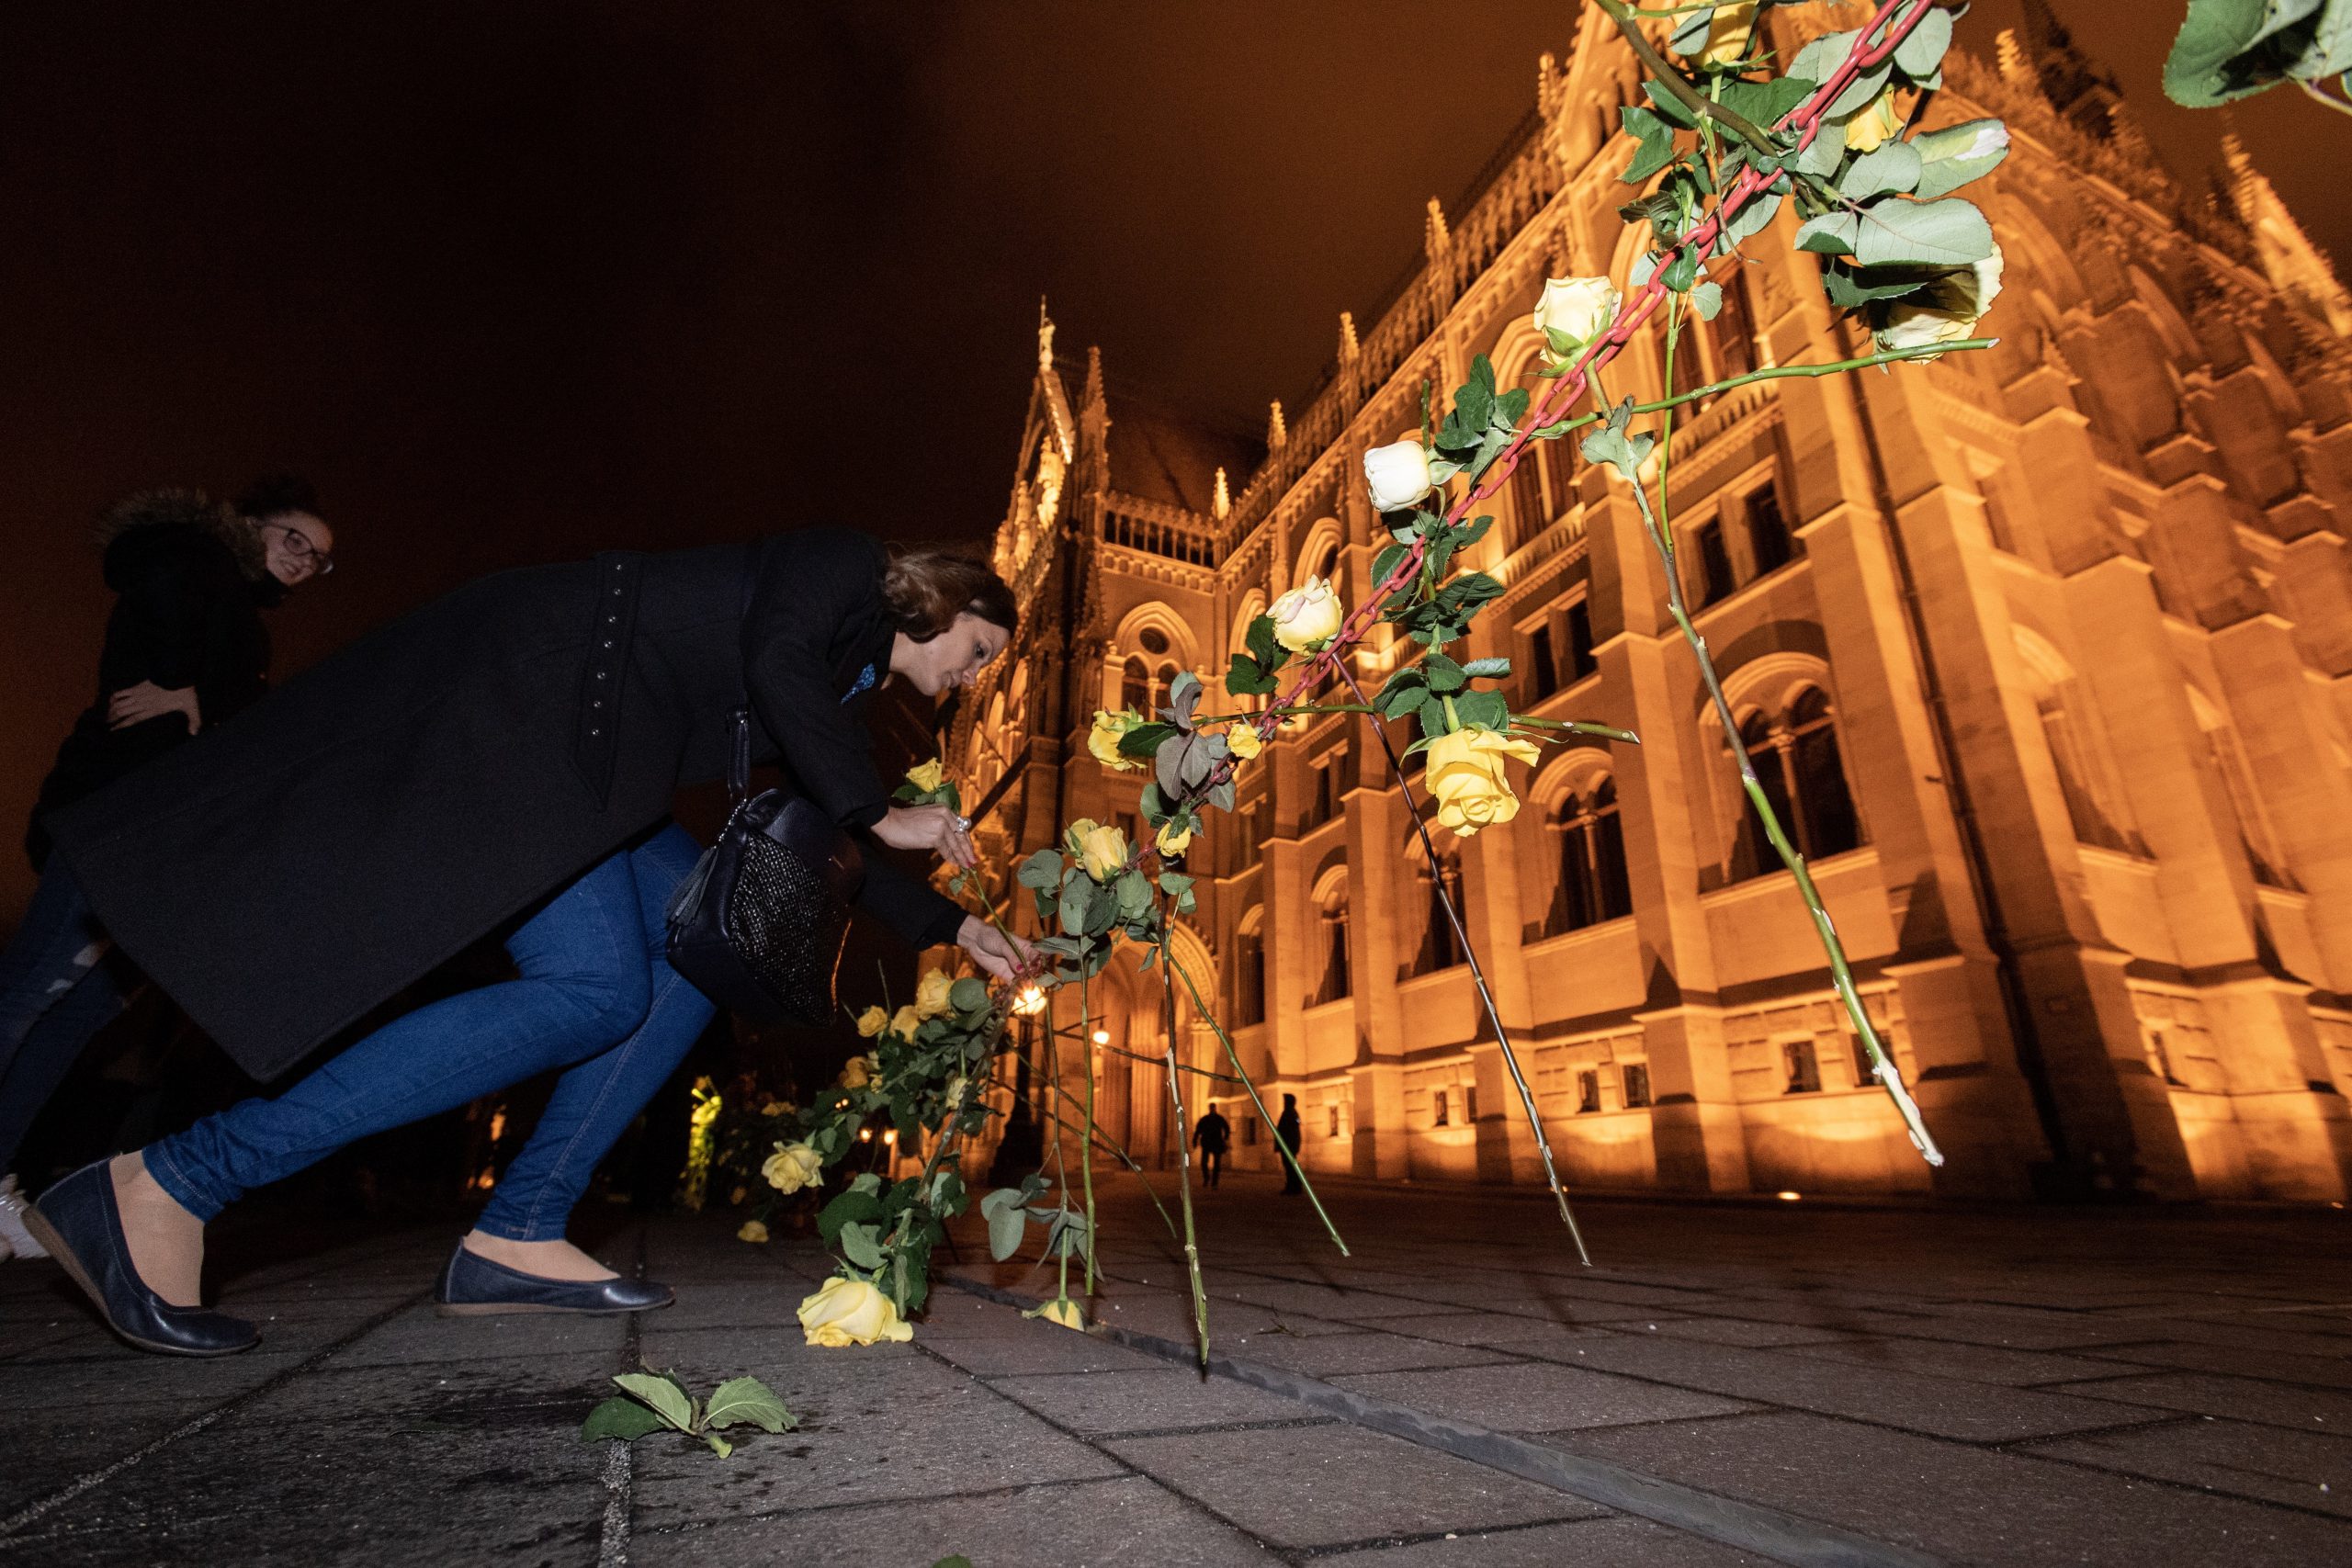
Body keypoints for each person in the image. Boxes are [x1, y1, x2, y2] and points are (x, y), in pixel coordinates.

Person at [20, 528, 1033, 1356]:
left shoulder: (844, 685)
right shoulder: (841, 567)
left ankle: (519, 1233)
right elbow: (781, 673)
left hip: (597, 775)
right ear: (948, 599)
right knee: (594, 991)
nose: (967, 680)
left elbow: (837, 841)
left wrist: (955, 926)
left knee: (692, 962)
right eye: (980, 652)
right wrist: (876, 804)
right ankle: (170, 1181)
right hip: (536, 721)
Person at [0, 479, 334, 1263]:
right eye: (294, 540)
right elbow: (159, 667)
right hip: (123, 815)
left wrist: (204, 702)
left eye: (318, 560)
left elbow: (218, 714)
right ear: (250, 523)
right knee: (29, 994)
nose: (303, 562)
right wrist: (203, 696)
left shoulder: (229, 596)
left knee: (77, 1012)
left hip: (159, 835)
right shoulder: (193, 558)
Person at [1190, 1105, 1230, 1190]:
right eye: (1211, 1108)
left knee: (1216, 1164)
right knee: (1204, 1163)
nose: (1212, 1110)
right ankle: (1207, 1178)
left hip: (1216, 1143)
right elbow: (1198, 1130)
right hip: (1207, 1143)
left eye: (1213, 1108)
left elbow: (1226, 1128)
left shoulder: (1219, 1118)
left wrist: (1226, 1137)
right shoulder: (1205, 1119)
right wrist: (1195, 1140)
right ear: (1210, 1109)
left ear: (1215, 1109)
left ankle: (1214, 1182)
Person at [1274, 1093, 1303, 1195]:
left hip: (1288, 1145)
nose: (1284, 1103)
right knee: (1290, 1166)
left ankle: (1293, 1187)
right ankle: (1294, 1186)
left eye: (1285, 1101)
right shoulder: (1290, 1113)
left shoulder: (1290, 1113)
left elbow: (1287, 1130)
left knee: (1290, 1166)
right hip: (1289, 1144)